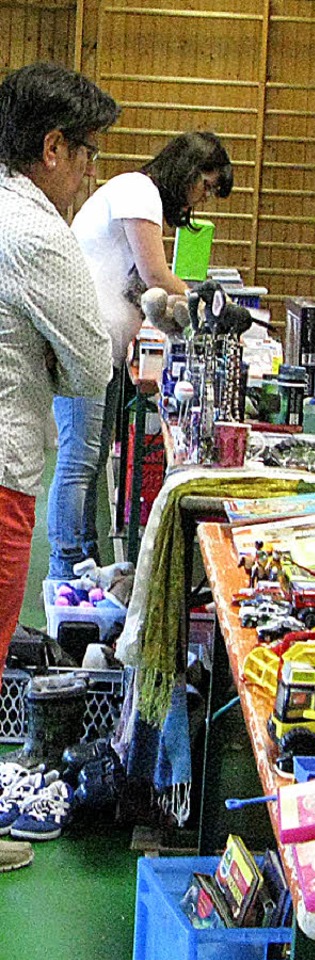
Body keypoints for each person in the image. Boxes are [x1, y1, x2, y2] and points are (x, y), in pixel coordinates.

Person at [47, 130, 233, 577]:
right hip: (84, 344)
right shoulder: (139, 190)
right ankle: (66, 563)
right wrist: (209, 303)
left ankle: (82, 560)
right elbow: (154, 274)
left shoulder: (139, 194)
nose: (202, 199)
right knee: (79, 459)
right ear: (187, 171)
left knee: (88, 459)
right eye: (205, 186)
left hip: (100, 347)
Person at [0, 61, 118, 678]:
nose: (89, 170)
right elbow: (90, 369)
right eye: (87, 153)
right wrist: (53, 355)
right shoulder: (40, 232)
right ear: (52, 148)